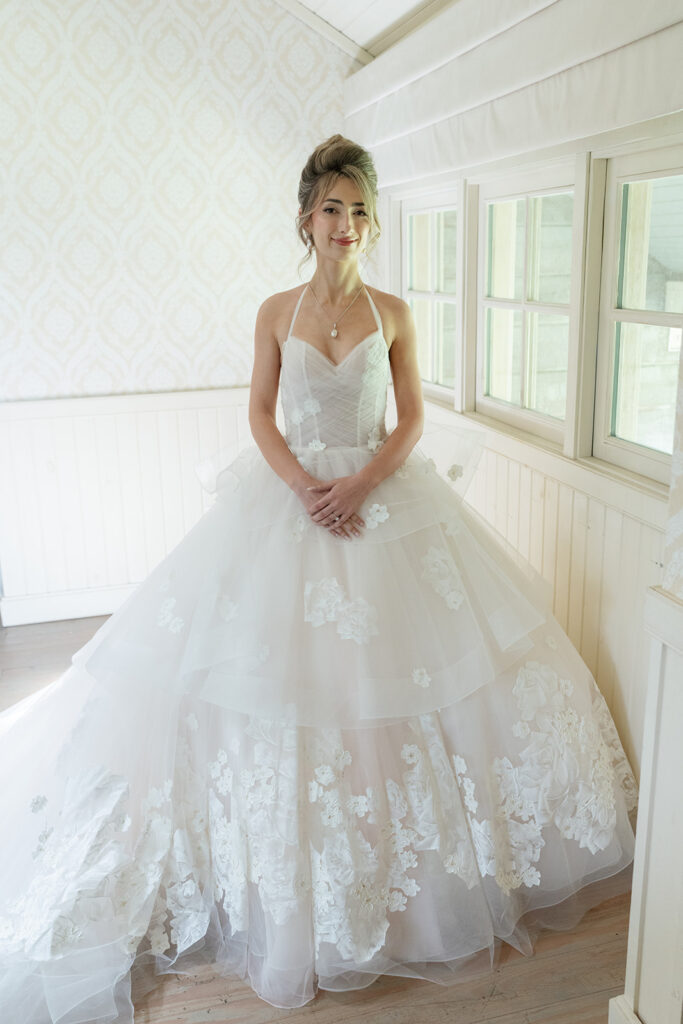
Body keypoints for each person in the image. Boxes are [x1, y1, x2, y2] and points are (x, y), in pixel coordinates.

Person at [0, 134, 637, 1022]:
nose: (347, 224)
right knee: (282, 683)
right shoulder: (273, 312)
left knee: (414, 675)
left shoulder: (394, 312)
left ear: (372, 223)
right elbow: (258, 415)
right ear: (306, 218)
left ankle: (422, 880)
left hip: (381, 499)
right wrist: (304, 488)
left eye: (361, 210)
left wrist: (361, 484)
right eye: (333, 209)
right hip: (290, 502)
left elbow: (411, 419)